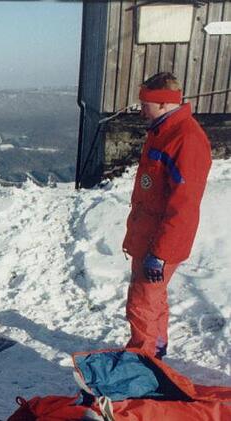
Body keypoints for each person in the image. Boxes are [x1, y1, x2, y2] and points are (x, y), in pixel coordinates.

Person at [122, 72, 212, 359]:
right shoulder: (162, 131)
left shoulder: (185, 138)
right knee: (153, 299)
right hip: (147, 235)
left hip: (160, 242)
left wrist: (161, 253)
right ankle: (155, 352)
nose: (140, 109)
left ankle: (143, 361)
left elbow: (184, 205)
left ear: (162, 103)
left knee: (142, 301)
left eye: (145, 103)